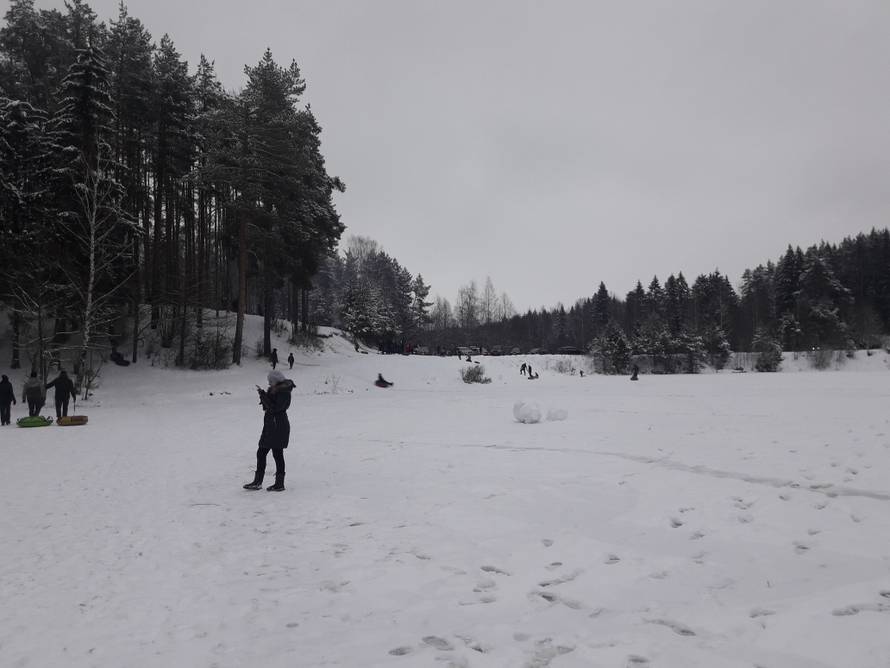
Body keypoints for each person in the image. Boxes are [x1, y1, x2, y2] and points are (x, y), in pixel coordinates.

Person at [244, 370, 295, 492]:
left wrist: (263, 396)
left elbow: (274, 408)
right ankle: (258, 482)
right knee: (261, 452)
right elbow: (268, 407)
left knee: (277, 454)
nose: (269, 383)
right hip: (270, 425)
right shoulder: (274, 390)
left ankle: (279, 484)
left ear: (276, 381)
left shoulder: (284, 392)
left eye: (270, 381)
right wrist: (263, 394)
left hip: (278, 426)